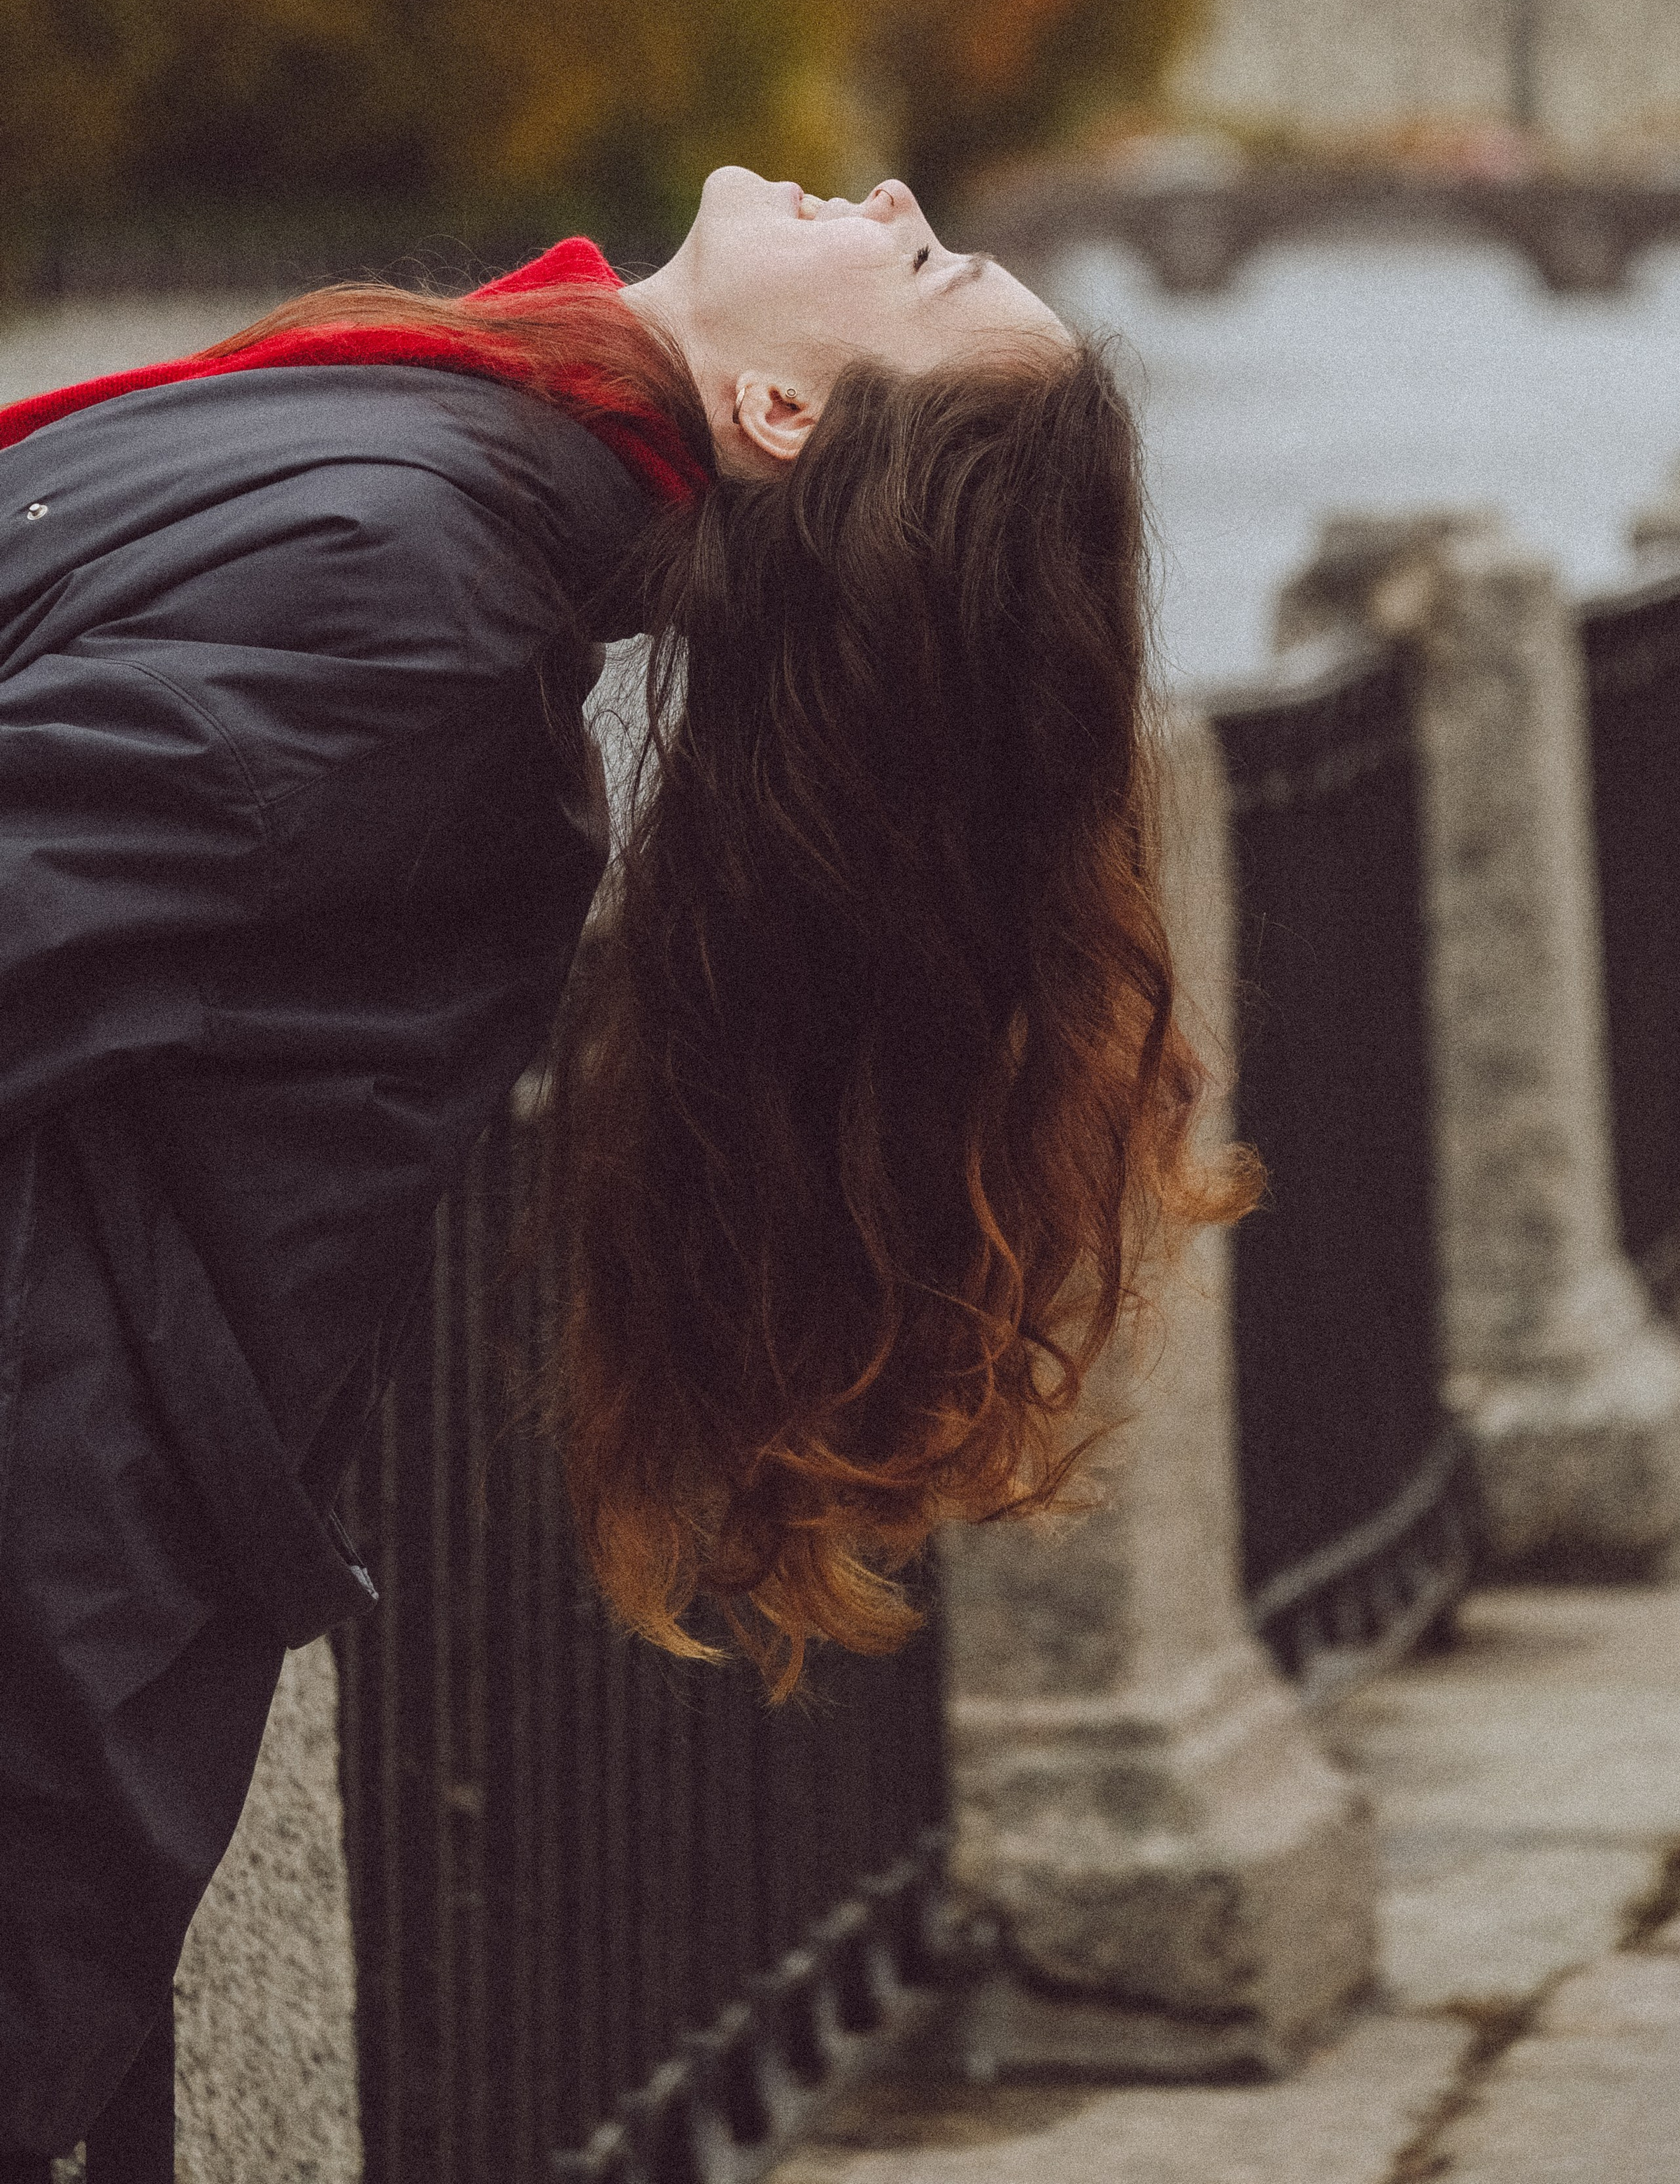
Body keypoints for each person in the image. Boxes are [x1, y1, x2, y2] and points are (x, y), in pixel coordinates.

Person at [0, 170, 1255, 2171]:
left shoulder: (410, 605)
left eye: (920, 266)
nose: (901, 192)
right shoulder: (459, 486)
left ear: (778, 422)